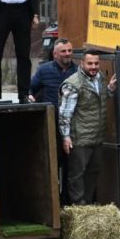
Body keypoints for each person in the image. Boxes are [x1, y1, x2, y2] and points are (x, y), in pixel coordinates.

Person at [59, 50, 118, 205]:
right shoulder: (73, 84)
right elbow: (65, 114)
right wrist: (65, 137)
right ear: (82, 63)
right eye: (90, 63)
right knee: (77, 175)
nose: (93, 67)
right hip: (79, 139)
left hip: (97, 137)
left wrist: (110, 89)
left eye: (96, 63)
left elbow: (98, 101)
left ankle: (88, 206)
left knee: (93, 173)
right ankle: (78, 208)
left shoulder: (99, 78)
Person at [30, 38, 77, 204]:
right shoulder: (44, 70)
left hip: (73, 128)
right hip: (50, 126)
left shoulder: (78, 72)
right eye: (63, 51)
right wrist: (29, 97)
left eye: (70, 51)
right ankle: (52, 201)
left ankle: (68, 201)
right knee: (52, 164)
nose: (67, 54)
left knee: (71, 166)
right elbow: (31, 88)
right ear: (55, 54)